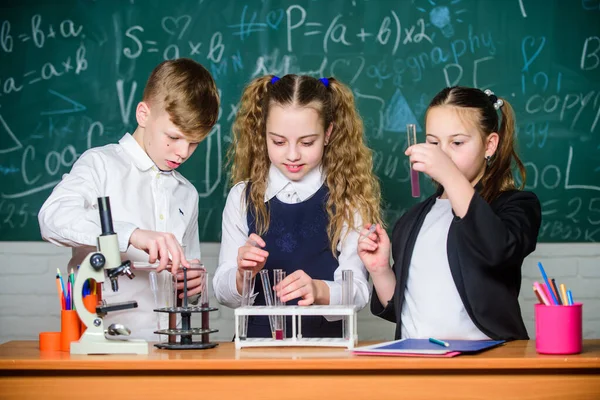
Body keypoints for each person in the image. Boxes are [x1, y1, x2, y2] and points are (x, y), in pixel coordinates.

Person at [38, 58, 219, 340]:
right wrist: (132, 234)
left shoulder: (187, 193)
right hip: (105, 347)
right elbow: (52, 219)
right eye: (174, 137)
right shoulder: (100, 165)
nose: (183, 152)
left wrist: (192, 288)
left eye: (194, 142)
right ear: (143, 114)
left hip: (167, 348)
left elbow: (188, 284)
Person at [358, 86, 541, 341]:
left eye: (457, 142)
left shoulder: (516, 205)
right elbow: (404, 310)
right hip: (418, 362)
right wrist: (380, 271)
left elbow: (498, 249)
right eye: (433, 142)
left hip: (488, 361)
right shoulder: (413, 220)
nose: (441, 153)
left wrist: (449, 174)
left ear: (490, 145)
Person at [214, 74, 382, 338]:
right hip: (253, 355)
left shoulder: (349, 203)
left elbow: (359, 291)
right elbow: (224, 294)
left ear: (328, 134)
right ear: (263, 134)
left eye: (307, 142)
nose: (292, 155)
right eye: (278, 142)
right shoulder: (242, 197)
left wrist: (318, 290)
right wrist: (241, 275)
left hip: (326, 356)